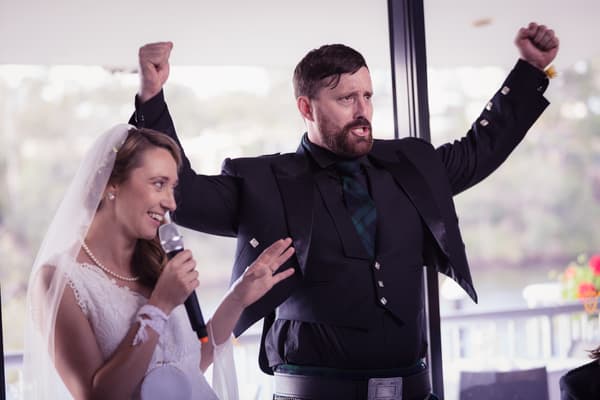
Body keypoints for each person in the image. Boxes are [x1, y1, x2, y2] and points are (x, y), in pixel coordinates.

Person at [130, 22, 559, 399]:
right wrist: (152, 100)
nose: (362, 111)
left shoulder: (413, 165)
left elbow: (478, 151)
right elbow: (184, 194)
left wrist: (529, 70)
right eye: (346, 98)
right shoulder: (266, 180)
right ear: (306, 107)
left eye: (367, 96)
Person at [22, 125, 295, 399]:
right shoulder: (58, 281)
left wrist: (238, 297)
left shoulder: (157, 262)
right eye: (158, 184)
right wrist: (160, 305)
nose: (171, 204)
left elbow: (187, 364)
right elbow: (95, 396)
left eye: (173, 187)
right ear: (110, 184)